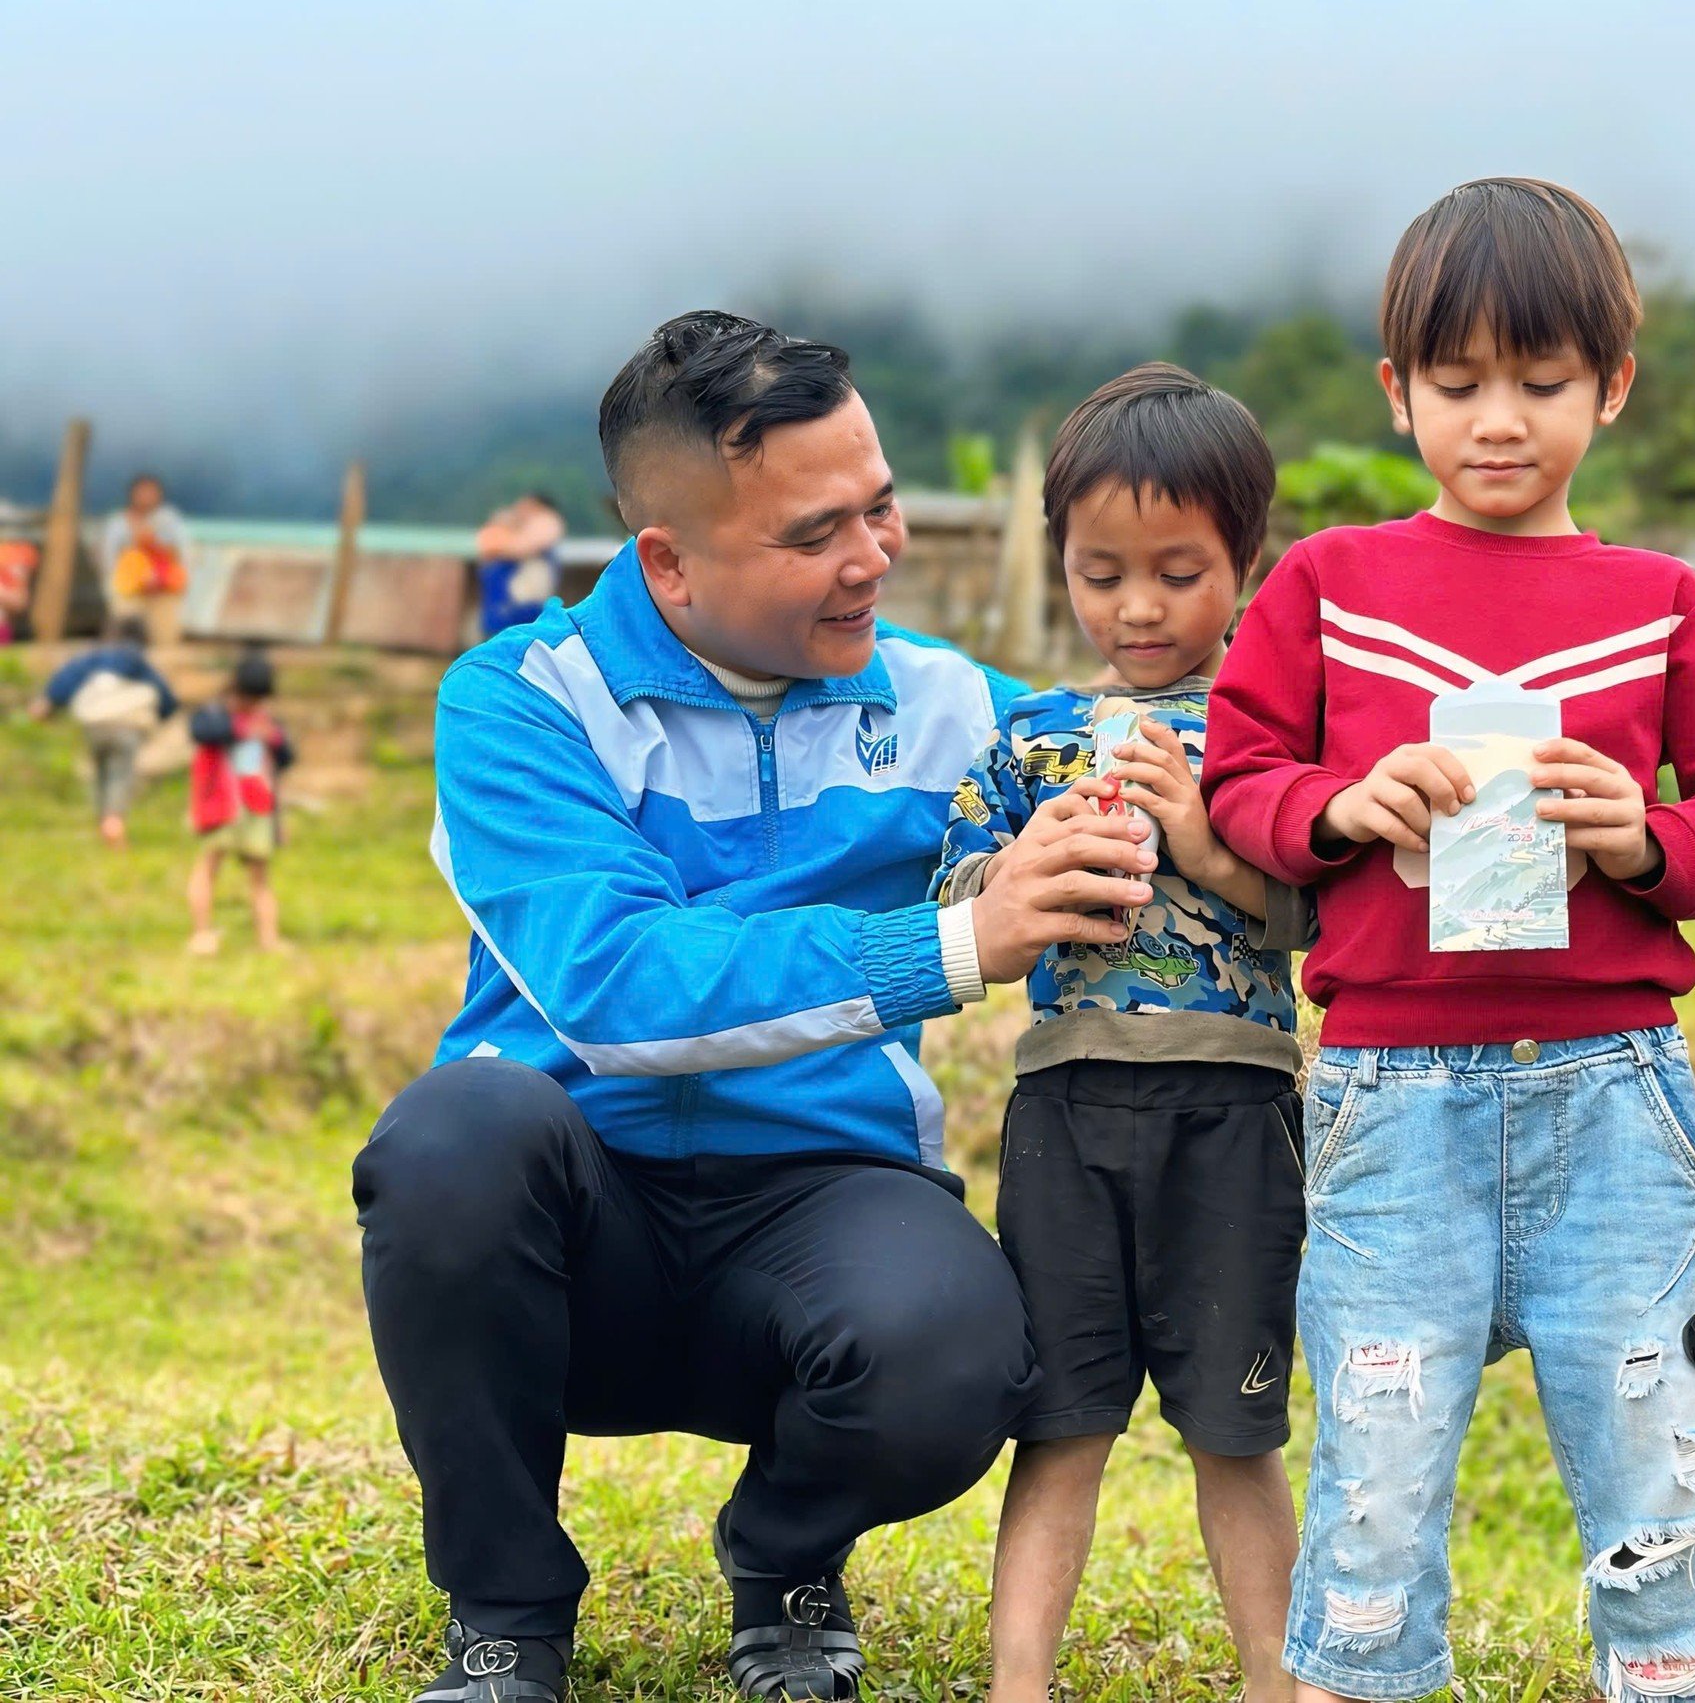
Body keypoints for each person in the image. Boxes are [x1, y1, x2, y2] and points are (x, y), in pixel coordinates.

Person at [353, 311, 1162, 1703]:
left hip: (819, 1202)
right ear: (665, 561)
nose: (872, 559)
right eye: (812, 537)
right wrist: (958, 936)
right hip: (569, 1225)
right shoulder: (521, 701)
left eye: (881, 504)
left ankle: (784, 1554)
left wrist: (1342, 782)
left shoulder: (945, 700)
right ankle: (505, 1613)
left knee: (957, 1346)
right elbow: (615, 980)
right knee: (451, 1139)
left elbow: (1166, 744)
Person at [1202, 179, 1695, 1703]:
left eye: (1539, 384)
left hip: (1612, 1097)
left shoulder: (1660, 605)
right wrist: (1344, 806)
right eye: (1458, 383)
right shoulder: (1328, 588)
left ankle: (1675, 1679)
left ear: (1608, 386)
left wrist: (1641, 838)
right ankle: (1357, 1680)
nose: (1497, 420)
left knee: (1653, 1453)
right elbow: (1243, 780)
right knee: (1378, 1463)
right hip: (1390, 1102)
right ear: (1396, 390)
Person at [931, 365, 1314, 1703]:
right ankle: (1015, 1685)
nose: (1137, 608)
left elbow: (1312, 922)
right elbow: (956, 915)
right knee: (1062, 1423)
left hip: (1234, 1114)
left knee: (1235, 1427)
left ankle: (1277, 1676)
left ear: (1243, 562)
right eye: (1101, 574)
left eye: (1176, 571)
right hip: (1066, 1110)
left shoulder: (1275, 738)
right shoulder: (1031, 738)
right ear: (1061, 568)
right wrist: (1026, 864)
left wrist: (1206, 830)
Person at [28, 614, 179, 845]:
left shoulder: (94, 657)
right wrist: (164, 715)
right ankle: (113, 822)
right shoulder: (140, 663)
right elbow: (166, 698)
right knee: (121, 774)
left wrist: (47, 702)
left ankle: (103, 822)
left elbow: (68, 678)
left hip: (94, 726)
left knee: (100, 773)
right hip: (129, 727)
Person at [186, 649, 292, 954]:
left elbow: (286, 757)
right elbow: (201, 732)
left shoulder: (268, 721)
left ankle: (269, 939)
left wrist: (274, 738)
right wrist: (242, 729)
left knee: (260, 875)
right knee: (208, 865)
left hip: (257, 806)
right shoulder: (215, 713)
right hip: (221, 805)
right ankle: (201, 934)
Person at [101, 473, 191, 645]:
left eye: (151, 492)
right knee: (124, 639)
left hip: (164, 592)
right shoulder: (118, 522)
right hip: (130, 592)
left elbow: (182, 553)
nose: (146, 497)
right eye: (142, 492)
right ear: (132, 495)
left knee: (165, 642)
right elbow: (109, 557)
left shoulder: (170, 520)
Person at [474, 490, 567, 634]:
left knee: (518, 625)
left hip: (525, 587)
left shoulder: (546, 521)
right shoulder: (522, 522)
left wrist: (502, 549)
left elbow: (524, 548)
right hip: (509, 591)